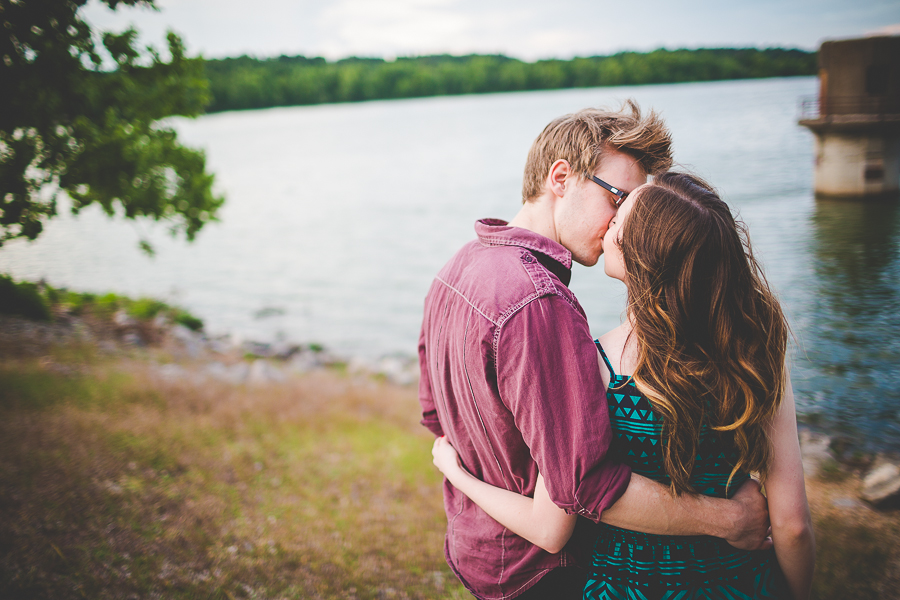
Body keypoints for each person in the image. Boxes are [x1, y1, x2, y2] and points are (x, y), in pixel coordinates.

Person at [418, 103, 774, 600]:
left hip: (475, 553)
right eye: (618, 199)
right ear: (561, 177)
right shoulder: (542, 303)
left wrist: (464, 474)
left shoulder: (454, 270)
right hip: (542, 575)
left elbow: (437, 417)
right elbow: (584, 487)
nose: (621, 225)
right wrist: (728, 517)